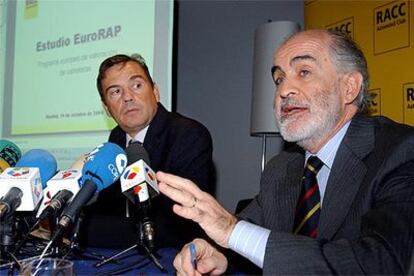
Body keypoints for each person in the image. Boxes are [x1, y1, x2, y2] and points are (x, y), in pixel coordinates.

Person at [157, 29, 414, 275]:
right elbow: (249, 232)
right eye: (279, 78)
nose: (283, 90)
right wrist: (216, 253)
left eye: (304, 72)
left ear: (349, 87)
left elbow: (383, 263)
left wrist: (231, 231)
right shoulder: (282, 167)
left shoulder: (401, 150)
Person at [81, 54, 213, 249]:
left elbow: (176, 226)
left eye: (136, 86)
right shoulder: (115, 140)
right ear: (107, 109)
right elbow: (111, 211)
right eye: (115, 92)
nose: (127, 97)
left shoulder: (189, 135)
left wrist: (82, 230)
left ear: (156, 91)